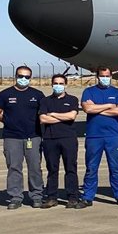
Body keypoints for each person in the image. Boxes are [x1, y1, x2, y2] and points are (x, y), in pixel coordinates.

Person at [0, 66, 45, 209]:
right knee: (14, 167)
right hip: (12, 137)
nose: (23, 79)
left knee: (35, 167)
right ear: (16, 76)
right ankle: (15, 197)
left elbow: (43, 113)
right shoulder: (4, 94)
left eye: (27, 77)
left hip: (33, 137)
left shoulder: (37, 95)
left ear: (30, 78)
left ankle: (37, 196)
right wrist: (9, 122)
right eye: (21, 76)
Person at [80, 66, 118, 207]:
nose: (105, 78)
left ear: (111, 76)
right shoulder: (88, 92)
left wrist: (96, 108)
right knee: (91, 168)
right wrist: (109, 105)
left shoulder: (117, 92)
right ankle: (87, 196)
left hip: (112, 136)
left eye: (107, 76)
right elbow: (87, 108)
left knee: (115, 167)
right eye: (102, 76)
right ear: (97, 77)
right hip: (94, 136)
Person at [37, 74, 82, 208]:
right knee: (52, 169)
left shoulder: (72, 99)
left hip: (68, 138)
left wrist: (53, 114)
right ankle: (51, 197)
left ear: (65, 85)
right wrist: (63, 117)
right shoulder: (45, 101)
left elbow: (72, 116)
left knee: (70, 168)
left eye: (61, 83)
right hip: (50, 139)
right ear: (52, 85)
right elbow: (43, 119)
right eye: (56, 83)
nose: (58, 86)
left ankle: (73, 197)